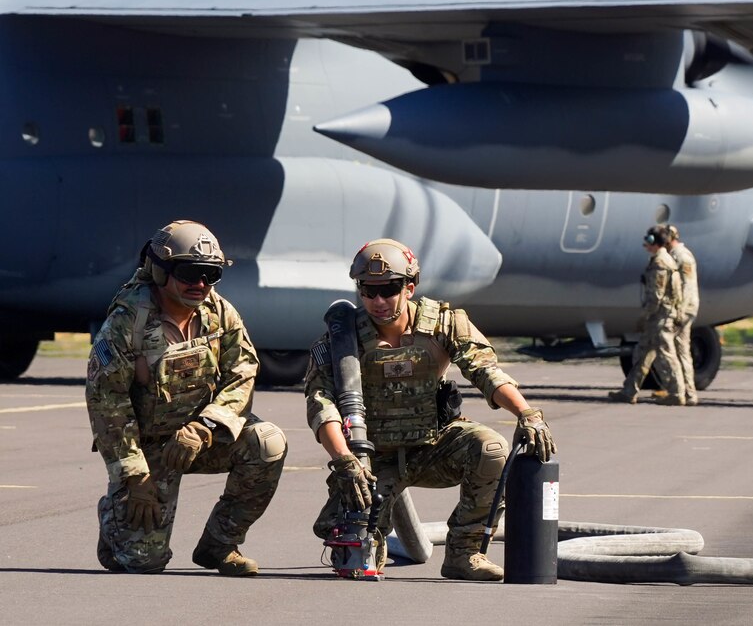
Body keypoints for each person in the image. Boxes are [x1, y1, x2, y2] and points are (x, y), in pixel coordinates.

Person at [303, 238, 556, 581]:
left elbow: (485, 371)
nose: (378, 300)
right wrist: (345, 460)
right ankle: (369, 534)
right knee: (358, 556)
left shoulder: (443, 323)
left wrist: (527, 413)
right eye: (368, 290)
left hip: (435, 447)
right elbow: (322, 405)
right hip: (372, 460)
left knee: (491, 448)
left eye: (389, 289)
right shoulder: (340, 341)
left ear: (409, 287)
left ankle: (464, 554)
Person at [85, 220, 287, 576]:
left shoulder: (220, 313)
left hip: (200, 437)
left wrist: (206, 427)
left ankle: (220, 545)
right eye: (190, 273)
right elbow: (107, 405)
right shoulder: (125, 324)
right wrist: (133, 476)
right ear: (161, 271)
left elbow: (242, 373)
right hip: (148, 448)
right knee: (141, 562)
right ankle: (115, 519)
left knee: (267, 442)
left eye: (211, 275)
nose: (201, 285)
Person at [608, 226, 685, 405]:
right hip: (658, 317)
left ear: (653, 242)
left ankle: (677, 393)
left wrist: (644, 316)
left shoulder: (660, 262)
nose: (645, 245)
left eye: (648, 241)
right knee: (641, 354)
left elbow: (656, 296)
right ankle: (629, 391)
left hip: (660, 317)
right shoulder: (663, 260)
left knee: (666, 355)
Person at [664, 224, 700, 406]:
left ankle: (680, 391)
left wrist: (680, 312)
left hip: (684, 309)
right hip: (684, 308)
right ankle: (688, 393)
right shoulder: (673, 255)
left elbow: (687, 286)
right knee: (682, 351)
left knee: (670, 347)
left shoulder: (681, 256)